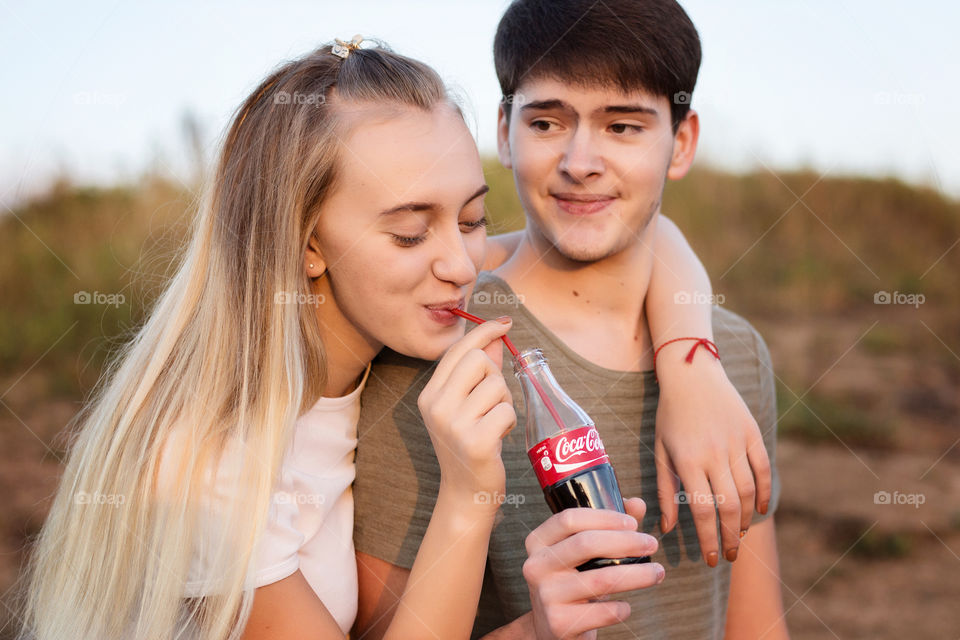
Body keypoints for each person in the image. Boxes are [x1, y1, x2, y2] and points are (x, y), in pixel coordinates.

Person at [17, 37, 702, 640]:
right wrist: (468, 500)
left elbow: (619, 233)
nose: (462, 266)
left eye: (470, 220)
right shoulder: (206, 464)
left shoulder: (375, 340)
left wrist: (694, 362)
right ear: (307, 243)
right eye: (410, 232)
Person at [351, 1, 790, 639]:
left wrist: (693, 362)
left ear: (682, 141)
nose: (581, 162)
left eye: (624, 127)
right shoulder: (442, 344)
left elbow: (757, 626)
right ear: (505, 132)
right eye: (548, 122)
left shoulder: (735, 357)